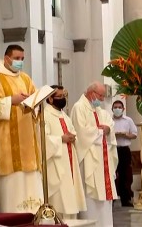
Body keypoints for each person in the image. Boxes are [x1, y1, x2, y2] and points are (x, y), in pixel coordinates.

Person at [0, 44, 43, 213]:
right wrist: (12, 100)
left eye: (22, 59)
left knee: (32, 191)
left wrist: (34, 105)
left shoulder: (26, 79)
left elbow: (36, 101)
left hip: (28, 145)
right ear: (7, 58)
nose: (20, 62)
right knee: (13, 197)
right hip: (7, 146)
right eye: (17, 58)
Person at [70, 81, 118, 227]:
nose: (102, 99)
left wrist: (108, 130)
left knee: (105, 202)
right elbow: (81, 133)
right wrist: (100, 131)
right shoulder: (79, 108)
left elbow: (110, 124)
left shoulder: (99, 110)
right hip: (89, 159)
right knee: (91, 198)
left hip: (103, 160)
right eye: (101, 96)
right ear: (92, 94)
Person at [44, 85, 86, 219]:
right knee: (59, 202)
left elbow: (73, 131)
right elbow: (43, 139)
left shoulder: (64, 115)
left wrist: (74, 137)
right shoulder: (45, 115)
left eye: (64, 96)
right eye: (60, 96)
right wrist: (61, 139)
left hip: (70, 162)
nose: (63, 99)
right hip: (56, 165)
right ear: (50, 99)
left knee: (70, 197)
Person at [112, 100, 137, 207]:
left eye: (119, 107)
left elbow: (135, 134)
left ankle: (125, 199)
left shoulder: (128, 120)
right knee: (112, 174)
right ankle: (111, 199)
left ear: (123, 109)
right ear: (112, 109)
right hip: (112, 149)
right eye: (115, 107)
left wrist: (126, 135)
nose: (117, 109)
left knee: (125, 175)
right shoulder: (109, 120)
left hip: (124, 150)